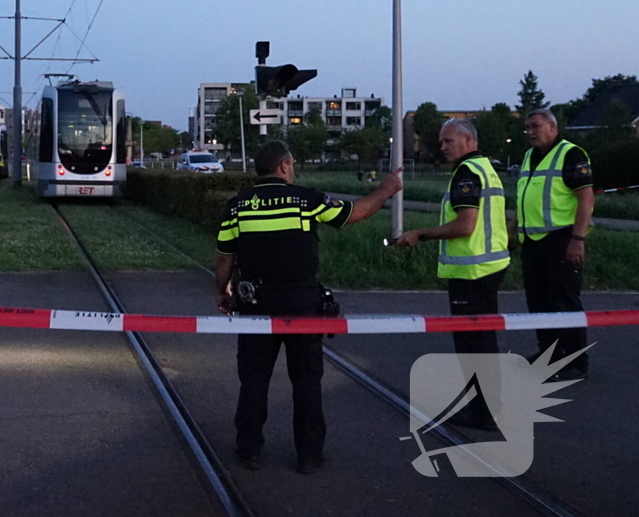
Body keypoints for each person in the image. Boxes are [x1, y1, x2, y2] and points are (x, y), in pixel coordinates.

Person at [214, 140, 403, 474]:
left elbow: (224, 258)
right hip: (301, 305)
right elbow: (355, 213)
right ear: (284, 166)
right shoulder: (305, 199)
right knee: (306, 381)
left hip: (255, 305)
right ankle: (309, 455)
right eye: (293, 164)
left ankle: (249, 450)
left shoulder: (237, 206)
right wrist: (386, 189)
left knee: (254, 379)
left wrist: (223, 293)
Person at [395, 118, 510, 430]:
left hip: (471, 272)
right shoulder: (486, 168)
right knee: (483, 342)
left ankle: (484, 412)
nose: (443, 147)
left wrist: (421, 233)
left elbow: (465, 225)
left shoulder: (467, 173)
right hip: (489, 267)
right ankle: (487, 407)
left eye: (449, 141)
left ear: (469, 140)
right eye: (441, 142)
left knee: (473, 345)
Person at [513, 108, 594, 380]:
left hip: (561, 239)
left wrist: (578, 239)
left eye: (535, 126)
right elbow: (525, 196)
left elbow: (586, 198)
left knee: (564, 301)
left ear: (552, 126)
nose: (530, 132)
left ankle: (575, 361)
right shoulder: (529, 156)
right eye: (527, 128)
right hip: (533, 242)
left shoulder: (571, 154)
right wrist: (513, 230)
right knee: (538, 301)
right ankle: (549, 354)